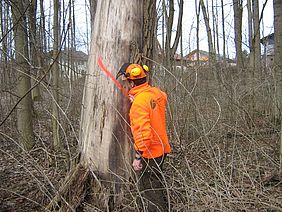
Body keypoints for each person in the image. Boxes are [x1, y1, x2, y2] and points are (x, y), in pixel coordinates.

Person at [116, 63, 171, 211]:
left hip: (150, 152)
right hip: (162, 148)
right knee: (156, 182)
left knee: (150, 189)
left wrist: (138, 157)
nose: (126, 85)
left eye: (127, 82)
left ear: (132, 82)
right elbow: (162, 97)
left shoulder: (140, 102)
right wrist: (138, 97)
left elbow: (143, 134)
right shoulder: (155, 93)